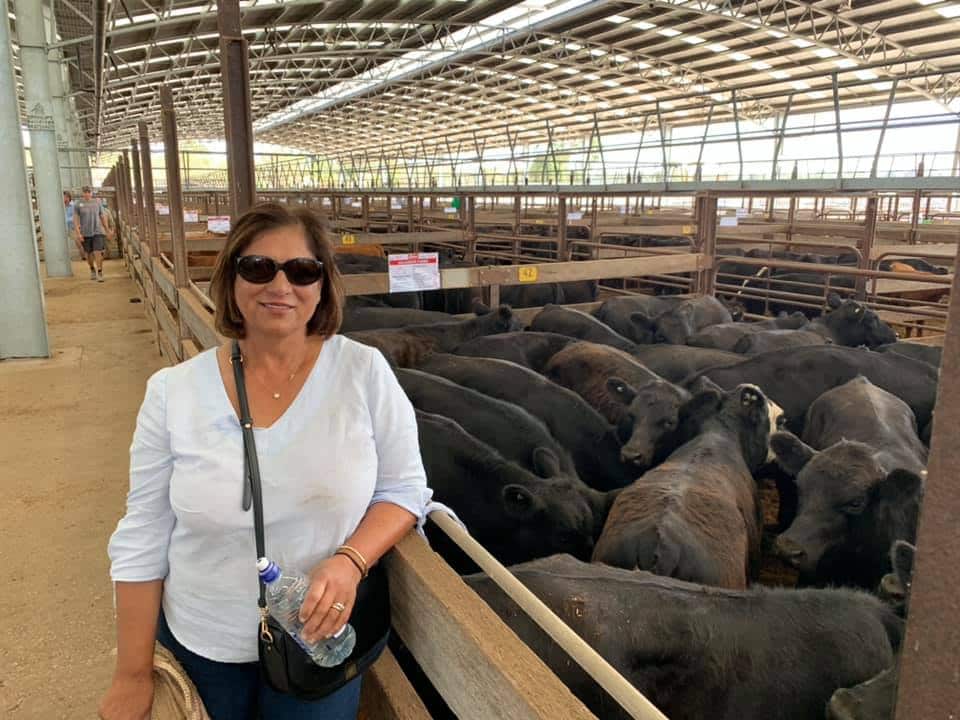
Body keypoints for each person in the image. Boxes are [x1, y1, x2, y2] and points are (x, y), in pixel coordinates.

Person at [100, 203, 431, 720]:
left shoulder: (363, 373)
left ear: (322, 285)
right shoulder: (173, 392)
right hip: (202, 642)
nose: (281, 285)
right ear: (231, 278)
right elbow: (143, 534)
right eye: (258, 268)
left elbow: (404, 488)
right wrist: (132, 672)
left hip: (318, 640)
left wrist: (351, 561)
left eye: (301, 271)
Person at [74, 186, 114, 281]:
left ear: (91, 193)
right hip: (85, 232)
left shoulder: (97, 203)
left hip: (97, 231)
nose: (87, 194)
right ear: (83, 193)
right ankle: (92, 269)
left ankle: (99, 272)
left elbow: (102, 217)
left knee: (98, 252)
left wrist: (107, 230)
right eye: (85, 192)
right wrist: (79, 233)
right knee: (88, 254)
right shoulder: (78, 204)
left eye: (89, 192)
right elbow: (75, 219)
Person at [63, 190, 84, 260]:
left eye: (65, 197)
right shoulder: (61, 206)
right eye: (63, 197)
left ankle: (84, 257)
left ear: (69, 198)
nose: (64, 198)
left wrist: (66, 220)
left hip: (74, 228)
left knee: (79, 243)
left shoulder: (74, 205)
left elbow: (77, 216)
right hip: (65, 228)